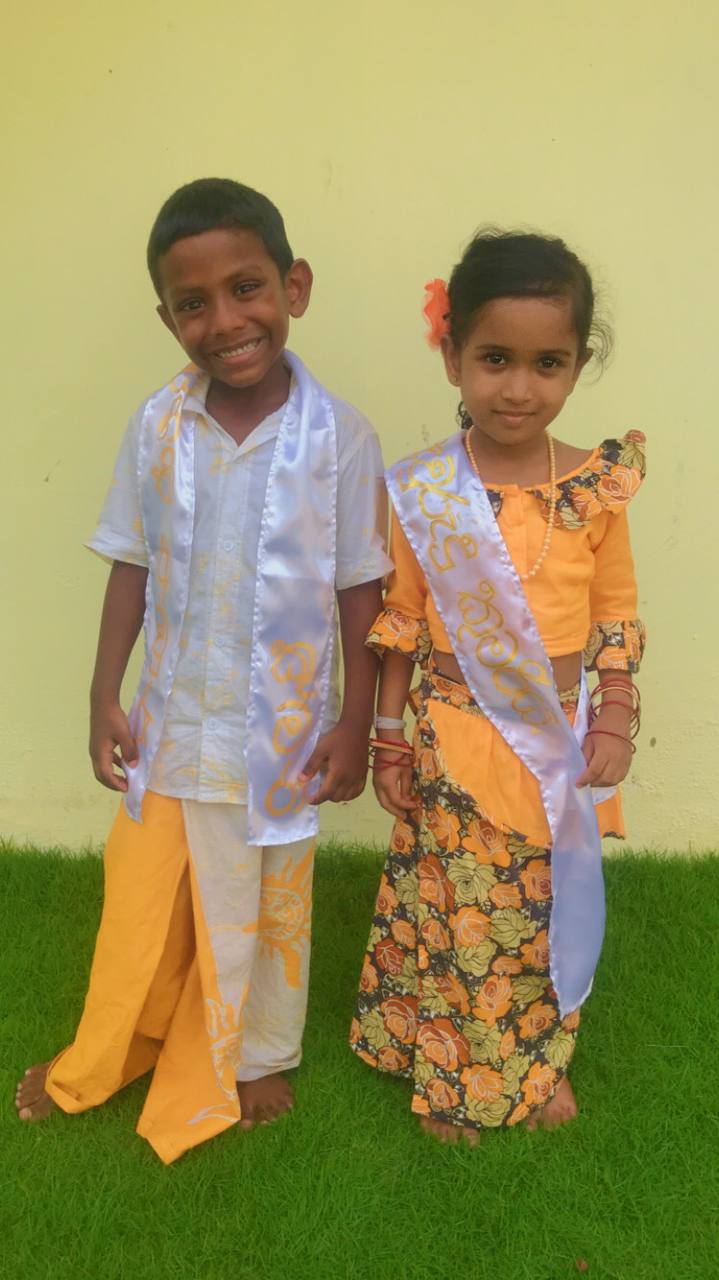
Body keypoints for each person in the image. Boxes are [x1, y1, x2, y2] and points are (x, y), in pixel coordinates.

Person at [15, 177, 391, 1163]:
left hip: (285, 731)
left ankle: (258, 1050)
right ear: (167, 316)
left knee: (274, 890)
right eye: (194, 303)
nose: (225, 320)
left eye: (246, 287)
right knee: (143, 891)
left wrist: (356, 720)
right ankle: (115, 1040)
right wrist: (104, 689)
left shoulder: (340, 436)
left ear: (292, 286)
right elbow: (131, 563)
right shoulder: (157, 425)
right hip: (177, 715)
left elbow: (360, 588)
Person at [350, 230, 645, 1142]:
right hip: (449, 730)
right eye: (494, 360)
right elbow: (399, 623)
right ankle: (446, 1074)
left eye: (547, 363)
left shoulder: (593, 490)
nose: (518, 387)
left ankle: (533, 1061)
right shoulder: (427, 494)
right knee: (453, 908)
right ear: (452, 356)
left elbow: (614, 617)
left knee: (542, 908)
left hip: (550, 737)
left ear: (576, 366)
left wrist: (618, 717)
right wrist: (387, 739)